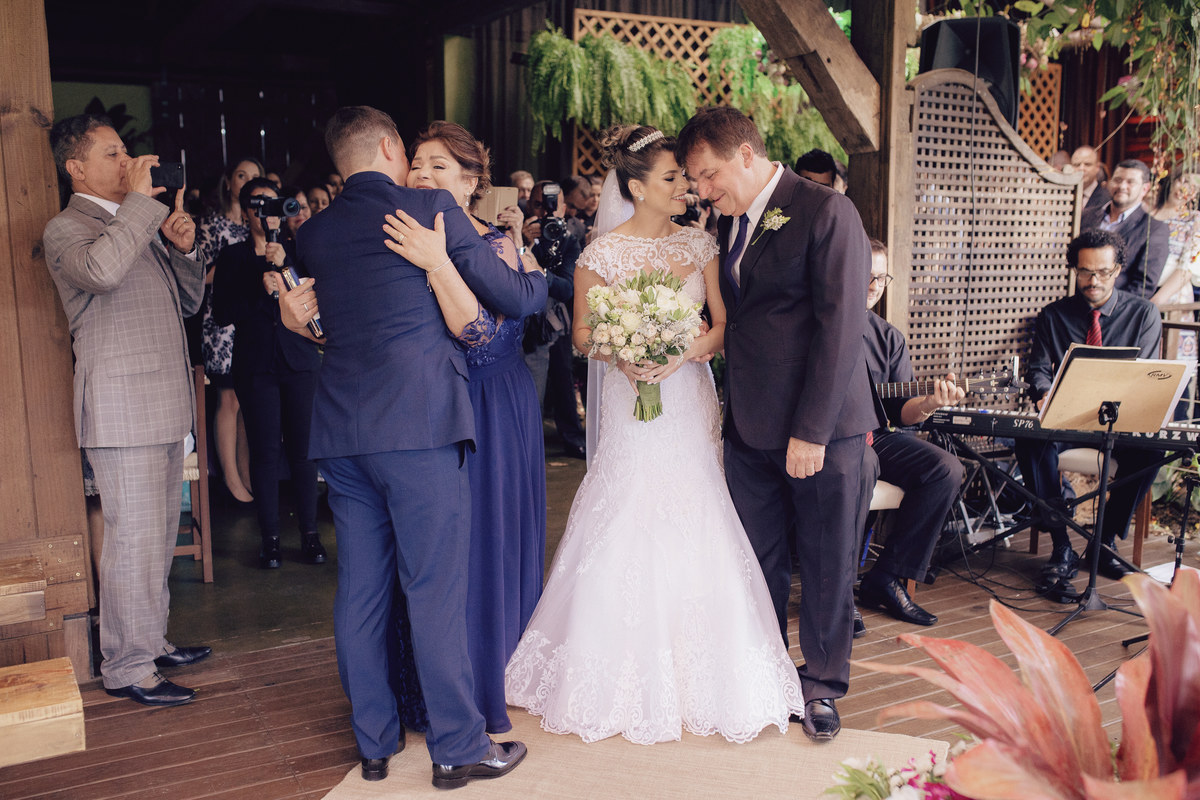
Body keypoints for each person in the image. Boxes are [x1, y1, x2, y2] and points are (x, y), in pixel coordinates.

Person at [505, 124, 804, 745]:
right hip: (627, 398)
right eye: (673, 179)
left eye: (689, 179)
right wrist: (621, 351)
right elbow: (583, 333)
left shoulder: (702, 248)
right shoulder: (599, 256)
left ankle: (707, 672)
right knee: (626, 510)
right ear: (637, 188)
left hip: (687, 399)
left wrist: (679, 351)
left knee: (698, 510)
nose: (687, 188)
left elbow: (724, 326)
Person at [277, 106, 544, 787]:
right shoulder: (429, 209)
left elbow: (323, 321)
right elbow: (515, 298)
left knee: (361, 590)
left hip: (342, 433)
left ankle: (375, 740)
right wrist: (535, 274)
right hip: (420, 430)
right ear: (393, 147)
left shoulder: (315, 232)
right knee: (433, 589)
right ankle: (457, 747)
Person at [677, 106, 877, 742]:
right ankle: (765, 675)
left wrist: (811, 431)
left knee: (824, 562)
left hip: (818, 429)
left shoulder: (825, 211)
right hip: (749, 426)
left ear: (745, 153)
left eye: (709, 175)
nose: (704, 191)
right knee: (755, 560)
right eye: (696, 181)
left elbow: (841, 328)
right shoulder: (730, 223)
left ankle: (820, 686)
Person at [378, 120, 547, 735]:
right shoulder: (398, 236)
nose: (422, 175)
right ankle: (429, 682)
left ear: (473, 181)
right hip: (428, 408)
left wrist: (440, 267)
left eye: (439, 166)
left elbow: (492, 334)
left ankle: (489, 674)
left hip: (495, 404)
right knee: (439, 545)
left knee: (487, 534)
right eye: (416, 165)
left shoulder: (495, 244)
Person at [44, 114, 211, 706]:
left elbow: (188, 303)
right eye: (113, 154)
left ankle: (151, 641)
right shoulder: (67, 229)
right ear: (76, 167)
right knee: (131, 542)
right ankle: (127, 666)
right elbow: (103, 273)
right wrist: (144, 210)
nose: (128, 163)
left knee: (158, 535)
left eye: (125, 153)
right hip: (120, 408)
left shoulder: (135, 222)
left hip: (162, 402)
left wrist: (184, 249)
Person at [1016, 228, 1163, 603]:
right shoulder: (1053, 315)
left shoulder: (1144, 313)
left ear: (1118, 270)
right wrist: (1045, 392)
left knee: (1151, 452)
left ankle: (1103, 541)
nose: (1092, 281)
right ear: (1074, 270)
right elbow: (1036, 369)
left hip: (1119, 421)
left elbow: (1141, 374)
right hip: (1068, 418)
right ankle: (1062, 543)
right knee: (1030, 439)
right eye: (1084, 272)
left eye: (1102, 272)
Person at [211, 178, 324, 569]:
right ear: (245, 213)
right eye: (257, 205)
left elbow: (313, 300)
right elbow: (223, 313)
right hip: (255, 364)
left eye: (273, 205)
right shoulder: (233, 257)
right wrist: (259, 286)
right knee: (264, 451)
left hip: (299, 361)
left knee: (304, 451)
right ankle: (270, 539)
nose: (266, 213)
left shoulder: (298, 252)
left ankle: (310, 536)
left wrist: (283, 267)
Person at [859, 240, 965, 629]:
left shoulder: (889, 338)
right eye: (865, 274)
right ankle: (838, 592)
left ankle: (887, 577)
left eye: (881, 277)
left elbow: (899, 413)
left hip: (874, 433)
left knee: (945, 469)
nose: (873, 284)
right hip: (831, 439)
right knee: (858, 465)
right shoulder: (818, 323)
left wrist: (931, 403)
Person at [197, 156, 264, 504]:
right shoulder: (213, 224)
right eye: (241, 176)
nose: (247, 182)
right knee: (229, 398)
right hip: (221, 321)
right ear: (229, 182)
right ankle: (230, 478)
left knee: (248, 398)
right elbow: (197, 273)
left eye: (254, 177)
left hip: (252, 319)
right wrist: (233, 269)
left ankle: (247, 473)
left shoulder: (262, 224)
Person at [522, 180, 587, 459]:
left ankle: (572, 436)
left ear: (563, 208)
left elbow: (567, 288)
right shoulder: (515, 237)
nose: (546, 212)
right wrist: (522, 244)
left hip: (556, 321)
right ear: (530, 206)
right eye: (539, 205)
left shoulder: (569, 239)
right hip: (524, 320)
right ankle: (527, 443)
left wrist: (539, 272)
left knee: (562, 377)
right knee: (528, 387)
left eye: (552, 206)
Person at [1080, 158, 1170, 299]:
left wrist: (1110, 309)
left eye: (1130, 182)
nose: (1122, 186)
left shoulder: (1154, 229)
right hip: (1073, 301)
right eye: (1118, 180)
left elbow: (1144, 285)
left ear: (1145, 188)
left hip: (1116, 309)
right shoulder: (1086, 215)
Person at [1071, 145, 1110, 213]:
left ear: (1097, 167)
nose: (1081, 168)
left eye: (1087, 164)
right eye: (1077, 165)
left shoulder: (1107, 197)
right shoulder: (1065, 195)